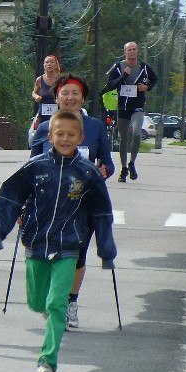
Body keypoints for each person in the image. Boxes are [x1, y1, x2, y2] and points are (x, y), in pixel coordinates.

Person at [0, 109, 117, 372]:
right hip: (36, 244)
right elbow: (9, 196)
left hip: (69, 246)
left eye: (71, 135)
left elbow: (102, 213)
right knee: (38, 302)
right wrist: (0, 231)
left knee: (56, 304)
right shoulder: (35, 166)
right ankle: (51, 319)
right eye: (60, 134)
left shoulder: (87, 173)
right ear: (50, 136)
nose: (65, 138)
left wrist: (106, 251)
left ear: (80, 138)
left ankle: (46, 363)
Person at [31, 73, 115, 329]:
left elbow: (109, 164)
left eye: (75, 93)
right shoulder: (45, 129)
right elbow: (31, 166)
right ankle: (52, 296)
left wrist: (103, 172)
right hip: (49, 204)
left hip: (83, 202)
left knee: (76, 255)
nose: (70, 98)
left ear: (83, 98)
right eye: (64, 93)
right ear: (56, 98)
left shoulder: (95, 127)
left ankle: (70, 302)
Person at [105, 41, 157, 182]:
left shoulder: (144, 67)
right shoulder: (118, 67)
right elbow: (110, 85)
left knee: (137, 133)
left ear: (137, 51)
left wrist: (147, 87)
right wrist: (123, 77)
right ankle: (123, 169)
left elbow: (154, 79)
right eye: (129, 50)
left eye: (134, 49)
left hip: (137, 107)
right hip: (123, 107)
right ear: (125, 52)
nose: (132, 52)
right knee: (123, 139)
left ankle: (132, 162)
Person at [31, 55, 61, 124]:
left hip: (58, 113)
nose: (49, 64)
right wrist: (36, 97)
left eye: (51, 62)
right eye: (47, 62)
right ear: (44, 65)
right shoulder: (39, 79)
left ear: (56, 65)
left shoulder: (61, 79)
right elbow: (34, 92)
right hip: (43, 114)